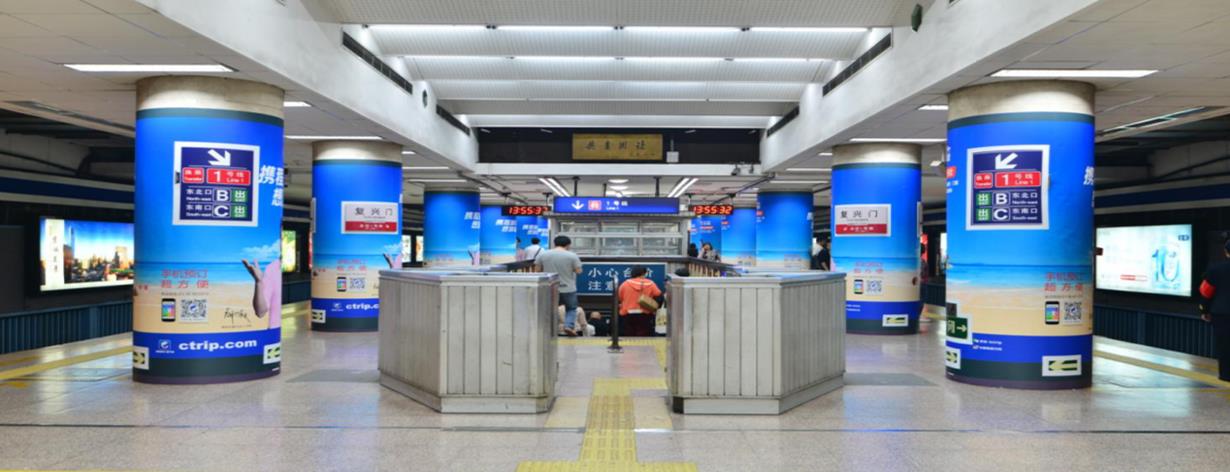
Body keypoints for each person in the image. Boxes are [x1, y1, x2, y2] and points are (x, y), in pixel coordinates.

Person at [535, 235, 583, 336]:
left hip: (550, 287)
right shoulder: (572, 256)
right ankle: (568, 326)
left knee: (549, 309)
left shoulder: (543, 255)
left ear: (554, 244)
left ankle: (547, 328)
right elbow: (578, 271)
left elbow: (537, 270)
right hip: (568, 288)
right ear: (568, 245)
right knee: (571, 308)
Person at [1199, 239, 1230, 381]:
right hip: (1221, 312)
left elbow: (1205, 292)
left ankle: (1226, 375)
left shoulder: (1215, 269)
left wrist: (1204, 310)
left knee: (1224, 344)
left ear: (1226, 252)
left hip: (1221, 313)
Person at [617, 266, 663, 337]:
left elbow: (619, 298)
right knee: (644, 337)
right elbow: (659, 296)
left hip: (627, 314)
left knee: (628, 336)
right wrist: (655, 308)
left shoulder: (625, 284)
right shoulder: (651, 284)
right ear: (643, 273)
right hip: (645, 314)